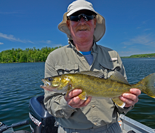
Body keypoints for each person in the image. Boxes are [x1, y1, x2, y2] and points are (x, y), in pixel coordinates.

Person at [44, 0, 141, 132]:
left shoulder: (113, 55)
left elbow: (121, 106)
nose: (82, 22)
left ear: (94, 23)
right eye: (75, 17)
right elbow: (50, 105)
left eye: (88, 17)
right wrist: (68, 104)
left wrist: (127, 103)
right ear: (68, 24)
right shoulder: (54, 58)